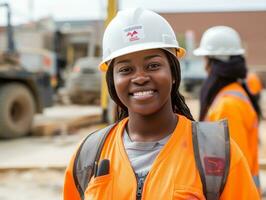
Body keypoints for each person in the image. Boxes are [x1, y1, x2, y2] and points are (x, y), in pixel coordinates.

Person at [64, 9, 259, 200]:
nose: (140, 77)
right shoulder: (88, 156)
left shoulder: (216, 153)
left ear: (174, 73)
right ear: (111, 81)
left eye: (153, 65)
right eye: (125, 69)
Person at [194, 26, 261, 189]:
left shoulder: (228, 105)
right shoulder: (235, 92)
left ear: (212, 62)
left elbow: (234, 167)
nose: (204, 67)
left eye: (205, 59)